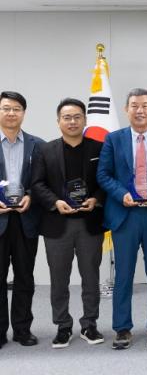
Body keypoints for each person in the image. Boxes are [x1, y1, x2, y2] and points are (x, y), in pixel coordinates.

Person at [96, 88, 147, 350]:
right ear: (126, 109)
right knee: (124, 275)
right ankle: (122, 328)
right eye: (134, 105)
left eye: (144, 105)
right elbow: (103, 174)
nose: (140, 110)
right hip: (125, 215)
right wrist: (122, 194)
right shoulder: (113, 139)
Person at [31, 98, 106, 348]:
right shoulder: (45, 150)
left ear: (84, 119)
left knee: (91, 277)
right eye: (67, 117)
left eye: (77, 117)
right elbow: (37, 184)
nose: (72, 121)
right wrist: (55, 202)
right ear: (58, 121)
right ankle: (63, 326)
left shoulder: (99, 148)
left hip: (89, 223)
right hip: (57, 224)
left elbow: (107, 180)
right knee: (59, 279)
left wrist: (96, 199)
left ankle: (89, 324)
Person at [0, 91, 43, 349]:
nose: (11, 113)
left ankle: (22, 329)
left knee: (25, 277)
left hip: (26, 219)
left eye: (16, 109)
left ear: (24, 113)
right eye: (6, 108)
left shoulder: (38, 145)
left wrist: (31, 196)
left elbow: (44, 181)